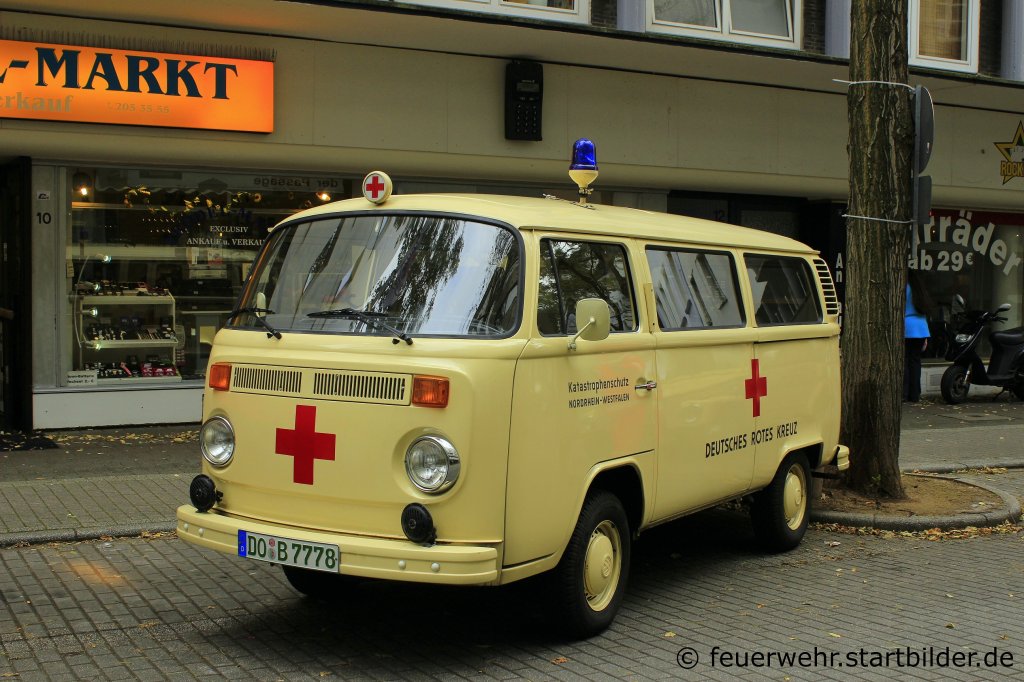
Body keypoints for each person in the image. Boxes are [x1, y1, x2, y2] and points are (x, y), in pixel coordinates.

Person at [904, 268, 933, 402]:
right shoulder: (919, 289)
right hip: (921, 329)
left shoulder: (904, 288)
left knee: (904, 362)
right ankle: (915, 394)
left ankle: (904, 393)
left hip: (907, 328)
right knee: (915, 362)